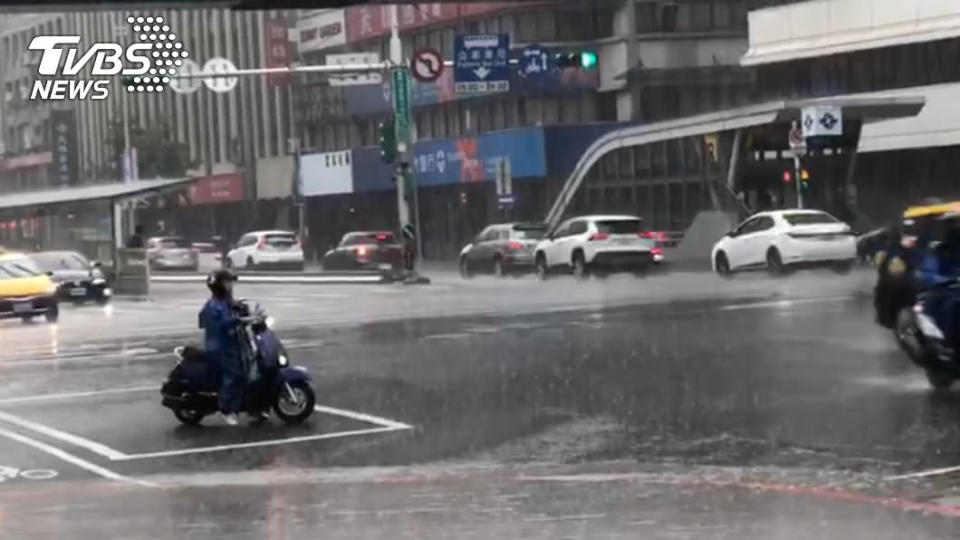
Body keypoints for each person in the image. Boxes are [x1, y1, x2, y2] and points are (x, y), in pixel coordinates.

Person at [198, 269, 246, 426]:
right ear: (219, 285)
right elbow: (224, 323)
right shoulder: (214, 305)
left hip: (230, 343)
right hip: (220, 347)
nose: (230, 286)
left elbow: (235, 308)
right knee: (236, 375)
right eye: (227, 282)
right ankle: (225, 408)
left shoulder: (224, 301)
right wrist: (241, 320)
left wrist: (242, 308)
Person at [917, 221, 960, 348]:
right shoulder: (938, 253)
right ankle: (946, 342)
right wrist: (948, 280)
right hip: (944, 289)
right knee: (950, 307)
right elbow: (929, 274)